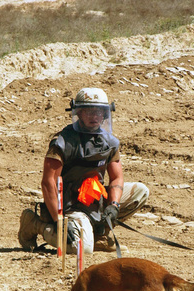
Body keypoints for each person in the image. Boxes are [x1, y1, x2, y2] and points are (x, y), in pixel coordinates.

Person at [18, 87, 149, 254]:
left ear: (105, 114)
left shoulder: (110, 142)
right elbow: (48, 182)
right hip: (71, 205)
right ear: (78, 113)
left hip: (96, 198)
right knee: (81, 248)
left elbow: (117, 178)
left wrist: (114, 206)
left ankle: (100, 234)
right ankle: (36, 224)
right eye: (88, 111)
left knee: (141, 192)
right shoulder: (63, 142)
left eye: (99, 112)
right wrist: (59, 221)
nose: (94, 116)